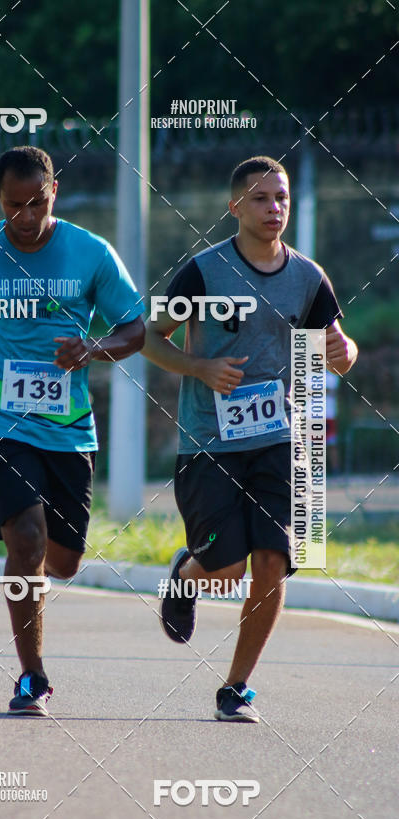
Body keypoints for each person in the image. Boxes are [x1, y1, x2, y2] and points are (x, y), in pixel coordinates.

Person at [0, 146, 145, 715]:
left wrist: (93, 348)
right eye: (14, 205)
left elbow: (135, 329)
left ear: (56, 192)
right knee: (27, 539)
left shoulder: (89, 252)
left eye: (38, 203)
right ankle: (32, 677)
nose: (26, 218)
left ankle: (16, 521)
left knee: (64, 560)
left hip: (67, 424)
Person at [143, 156, 357, 722]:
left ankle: (235, 688)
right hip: (209, 443)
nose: (275, 209)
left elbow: (338, 344)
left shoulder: (309, 278)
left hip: (278, 440)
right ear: (235, 207)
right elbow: (148, 336)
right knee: (227, 568)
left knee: (272, 562)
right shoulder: (203, 273)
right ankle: (188, 574)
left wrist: (344, 353)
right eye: (262, 199)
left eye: (282, 198)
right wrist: (198, 368)